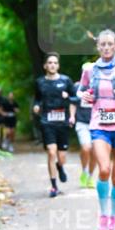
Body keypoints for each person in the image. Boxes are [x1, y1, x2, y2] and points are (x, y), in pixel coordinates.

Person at [79, 30, 115, 230]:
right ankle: (103, 215)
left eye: (110, 44)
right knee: (104, 170)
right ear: (98, 47)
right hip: (99, 124)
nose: (106, 47)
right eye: (103, 44)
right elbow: (81, 90)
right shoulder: (89, 69)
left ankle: (113, 215)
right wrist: (83, 94)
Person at [33, 52, 76, 197]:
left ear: (58, 65)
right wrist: (36, 106)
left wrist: (69, 100)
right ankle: (53, 186)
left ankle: (60, 167)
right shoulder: (40, 82)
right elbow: (37, 99)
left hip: (62, 121)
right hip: (47, 121)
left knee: (61, 156)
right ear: (45, 66)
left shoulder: (66, 81)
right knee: (52, 153)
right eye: (50, 63)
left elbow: (75, 98)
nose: (52, 65)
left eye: (55, 63)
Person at [73, 62, 96, 188]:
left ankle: (91, 176)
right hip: (82, 122)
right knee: (86, 148)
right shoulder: (78, 86)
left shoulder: (99, 85)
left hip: (97, 123)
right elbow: (73, 102)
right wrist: (72, 116)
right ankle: (85, 171)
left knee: (95, 152)